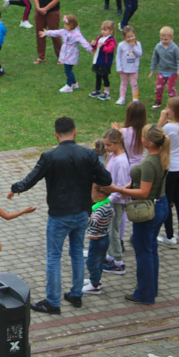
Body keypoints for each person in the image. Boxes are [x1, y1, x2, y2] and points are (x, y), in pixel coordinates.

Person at [9, 116, 112, 314]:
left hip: (59, 215)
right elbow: (106, 178)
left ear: (56, 135)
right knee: (77, 252)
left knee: (54, 257)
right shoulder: (88, 154)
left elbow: (31, 179)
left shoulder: (50, 157)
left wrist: (16, 188)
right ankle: (76, 294)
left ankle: (53, 302)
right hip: (82, 212)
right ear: (75, 132)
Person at [101, 125, 170, 304]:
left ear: (150, 142)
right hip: (161, 205)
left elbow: (144, 192)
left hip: (148, 210)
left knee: (144, 252)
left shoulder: (148, 163)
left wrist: (117, 188)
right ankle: (151, 289)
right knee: (151, 249)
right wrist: (128, 186)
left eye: (143, 137)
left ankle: (144, 293)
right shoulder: (160, 157)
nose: (140, 139)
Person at [100, 129, 131, 275]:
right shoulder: (114, 156)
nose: (106, 148)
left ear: (117, 143)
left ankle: (118, 262)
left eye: (108, 145)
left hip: (116, 201)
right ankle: (109, 256)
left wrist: (107, 199)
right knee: (109, 229)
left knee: (113, 231)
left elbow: (122, 188)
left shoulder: (121, 161)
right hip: (111, 198)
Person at [159, 97, 179, 246]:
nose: (166, 109)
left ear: (174, 111)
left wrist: (162, 118)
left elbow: (154, 135)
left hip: (171, 168)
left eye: (168, 108)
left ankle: (169, 236)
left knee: (167, 201)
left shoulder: (169, 128)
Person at [39, 14, 92, 93]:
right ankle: (74, 83)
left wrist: (90, 48)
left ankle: (69, 85)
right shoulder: (65, 31)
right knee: (68, 69)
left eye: (67, 24)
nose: (65, 26)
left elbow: (83, 42)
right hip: (66, 53)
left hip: (71, 54)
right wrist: (47, 33)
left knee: (67, 70)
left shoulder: (76, 34)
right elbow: (57, 32)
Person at [33, 0, 65, 64]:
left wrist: (46, 8)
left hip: (52, 12)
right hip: (40, 11)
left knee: (54, 34)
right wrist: (38, 8)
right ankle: (41, 56)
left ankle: (61, 57)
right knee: (40, 34)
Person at [81, 194, 113, 295]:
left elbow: (94, 222)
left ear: (100, 195)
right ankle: (95, 280)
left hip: (97, 240)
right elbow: (113, 214)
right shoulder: (108, 205)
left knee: (92, 262)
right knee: (99, 261)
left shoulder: (100, 209)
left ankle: (95, 285)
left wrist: (85, 217)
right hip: (104, 237)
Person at [149, 26, 179, 110]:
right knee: (158, 88)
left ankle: (174, 104)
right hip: (161, 71)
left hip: (172, 72)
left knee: (170, 90)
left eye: (166, 39)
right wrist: (152, 70)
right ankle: (158, 102)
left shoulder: (175, 48)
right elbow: (155, 58)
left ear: (172, 38)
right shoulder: (158, 47)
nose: (163, 41)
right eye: (162, 39)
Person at [88, 20, 117, 101]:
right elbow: (96, 47)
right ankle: (97, 90)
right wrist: (93, 45)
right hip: (98, 60)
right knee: (98, 75)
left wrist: (102, 47)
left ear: (111, 31)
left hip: (105, 62)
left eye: (105, 30)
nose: (103, 32)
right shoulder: (99, 38)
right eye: (102, 29)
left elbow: (110, 49)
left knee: (104, 76)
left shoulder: (111, 40)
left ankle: (107, 92)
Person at [115, 25, 142, 105]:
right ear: (124, 37)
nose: (130, 39)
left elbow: (139, 54)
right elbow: (118, 57)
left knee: (134, 84)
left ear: (135, 35)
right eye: (128, 37)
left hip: (134, 68)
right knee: (123, 83)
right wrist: (119, 68)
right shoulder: (121, 45)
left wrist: (133, 47)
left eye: (132, 36)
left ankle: (135, 98)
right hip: (124, 69)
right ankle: (122, 97)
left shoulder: (137, 44)